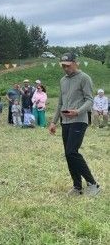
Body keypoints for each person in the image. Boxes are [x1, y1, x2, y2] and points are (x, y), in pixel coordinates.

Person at [48, 52, 100, 196]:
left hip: (79, 120)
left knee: (72, 151)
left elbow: (90, 100)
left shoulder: (84, 78)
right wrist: (53, 122)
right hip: (65, 122)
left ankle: (93, 184)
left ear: (75, 63)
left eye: (68, 66)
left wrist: (77, 111)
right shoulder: (62, 81)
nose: (65, 69)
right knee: (68, 154)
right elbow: (60, 103)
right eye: (63, 66)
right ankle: (77, 187)